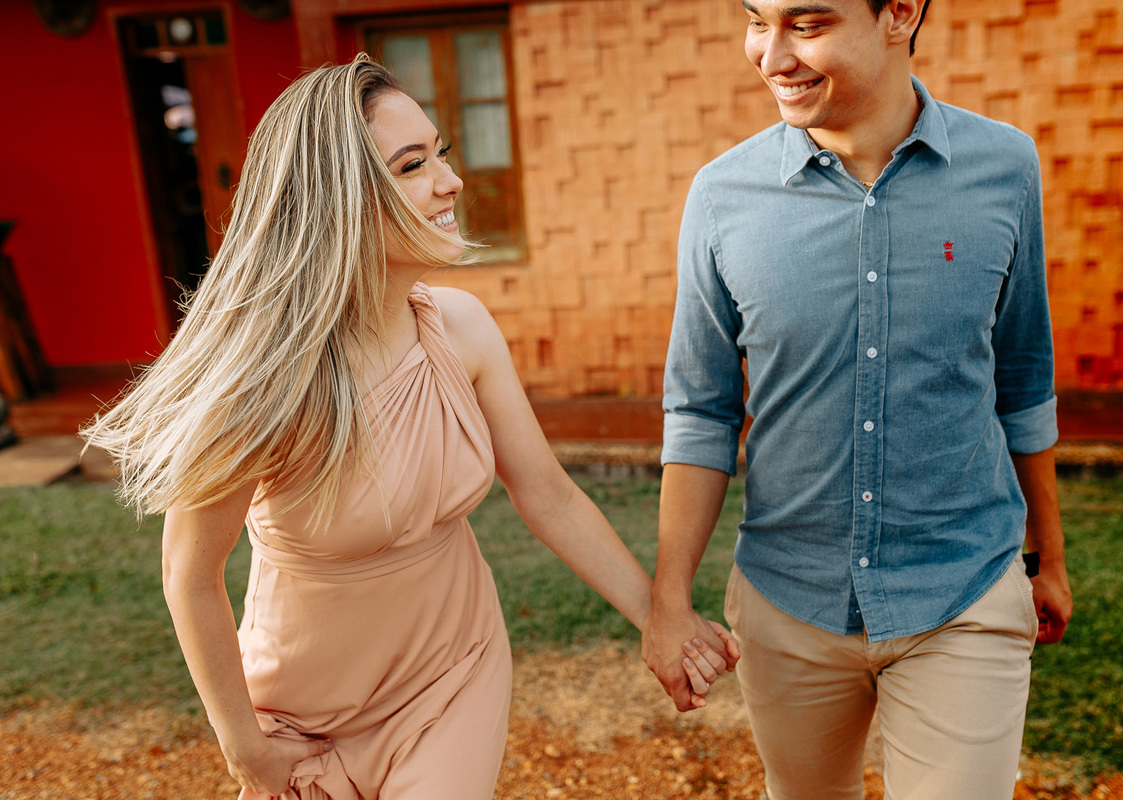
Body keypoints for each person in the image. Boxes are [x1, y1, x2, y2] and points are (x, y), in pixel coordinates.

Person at [82, 55, 736, 800]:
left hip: (452, 676)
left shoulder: (462, 330)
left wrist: (661, 620)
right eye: (413, 164)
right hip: (300, 715)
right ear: (342, 198)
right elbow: (190, 573)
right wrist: (245, 749)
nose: (450, 181)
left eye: (441, 153)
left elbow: (547, 494)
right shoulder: (261, 380)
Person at [640, 1, 1073, 797]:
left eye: (806, 25)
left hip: (963, 590)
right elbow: (700, 411)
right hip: (787, 602)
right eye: (755, 20)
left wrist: (1047, 556)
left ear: (899, 13)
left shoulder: (1005, 167)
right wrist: (669, 600)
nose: (771, 55)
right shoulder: (720, 197)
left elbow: (1022, 375)